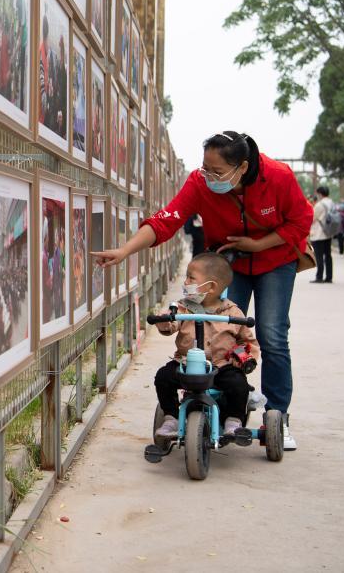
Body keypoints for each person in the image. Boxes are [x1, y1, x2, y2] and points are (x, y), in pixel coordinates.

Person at [93, 131, 311, 450]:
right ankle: (219, 404)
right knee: (212, 328)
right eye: (204, 168)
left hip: (275, 260)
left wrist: (259, 244)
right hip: (226, 265)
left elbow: (300, 223)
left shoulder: (278, 177)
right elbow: (165, 221)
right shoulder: (199, 183)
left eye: (217, 171)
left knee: (272, 334)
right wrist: (126, 250)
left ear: (243, 167)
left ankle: (277, 415)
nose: (208, 176)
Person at [153, 253, 260, 438]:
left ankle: (233, 420)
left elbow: (247, 341)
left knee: (238, 383)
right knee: (163, 377)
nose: (185, 282)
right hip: (186, 364)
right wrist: (164, 319)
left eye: (191, 278)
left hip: (221, 366)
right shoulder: (183, 307)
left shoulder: (233, 312)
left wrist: (244, 357)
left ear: (211, 287)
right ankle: (171, 417)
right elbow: (170, 325)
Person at [309, 186, 334, 283]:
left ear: (320, 194)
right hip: (328, 232)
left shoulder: (319, 205)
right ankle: (329, 277)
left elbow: (313, 218)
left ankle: (319, 277)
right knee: (328, 255)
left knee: (319, 256)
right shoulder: (331, 203)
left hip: (319, 233)